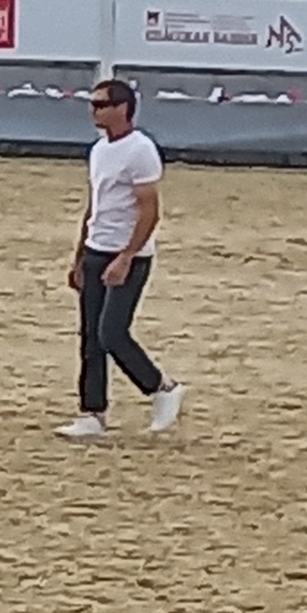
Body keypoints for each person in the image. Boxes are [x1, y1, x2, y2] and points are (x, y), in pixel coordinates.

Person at [62, 78, 184, 438]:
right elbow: (94, 205)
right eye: (93, 104)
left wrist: (127, 255)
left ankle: (161, 387)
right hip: (98, 249)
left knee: (112, 332)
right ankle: (93, 412)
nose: (94, 111)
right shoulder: (99, 150)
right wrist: (80, 255)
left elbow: (149, 210)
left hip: (127, 254)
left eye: (101, 104)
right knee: (90, 338)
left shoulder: (140, 150)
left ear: (122, 108)